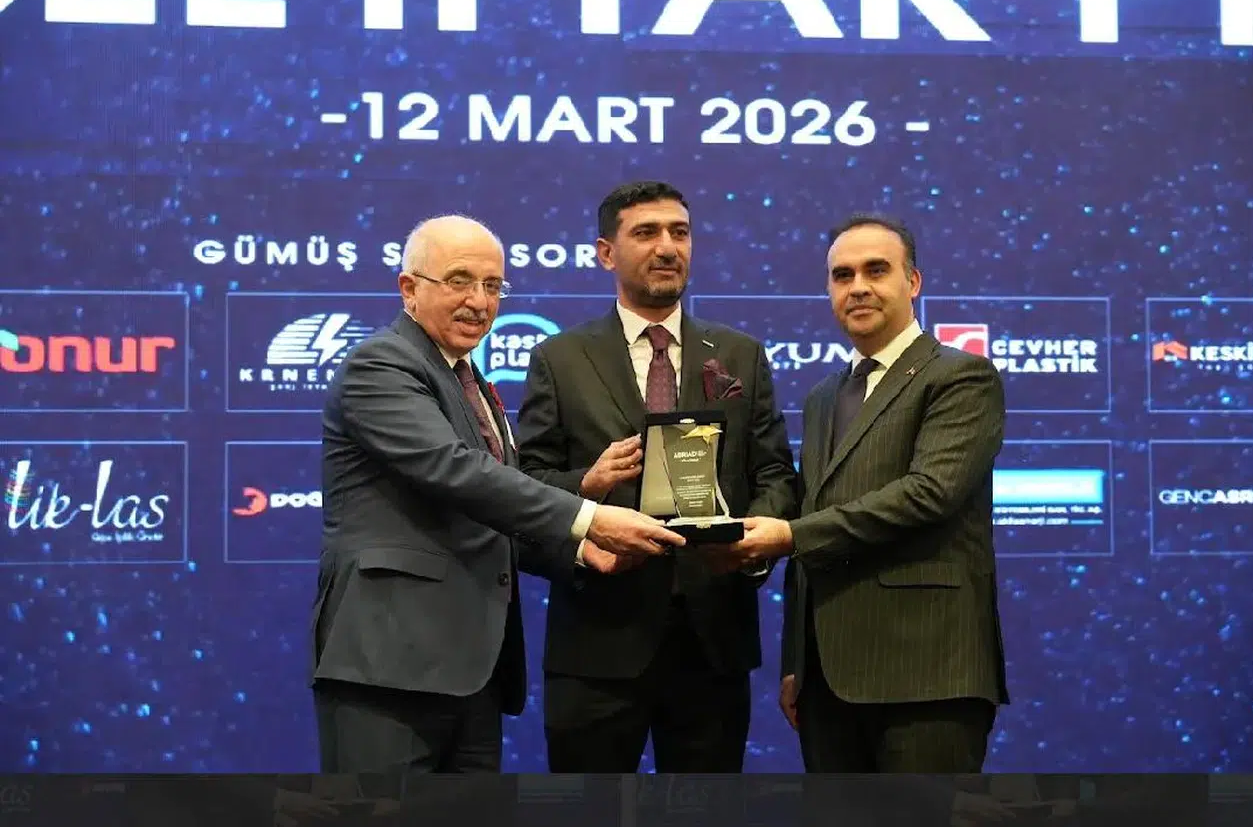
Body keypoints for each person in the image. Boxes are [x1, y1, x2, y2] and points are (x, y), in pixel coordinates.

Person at [311, 214, 685, 774]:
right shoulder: (381, 365)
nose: (479, 302)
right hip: (389, 665)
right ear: (409, 288)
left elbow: (491, 511)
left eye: (492, 286)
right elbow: (456, 472)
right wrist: (590, 518)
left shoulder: (470, 382)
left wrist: (580, 552)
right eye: (459, 281)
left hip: (472, 674)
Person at [515, 180, 798, 773]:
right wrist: (586, 486)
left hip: (713, 641)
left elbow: (774, 472)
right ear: (606, 252)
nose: (667, 247)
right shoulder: (559, 359)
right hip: (596, 643)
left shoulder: (740, 354)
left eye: (680, 233)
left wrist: (750, 547)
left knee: (706, 809)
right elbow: (525, 486)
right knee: (589, 811)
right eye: (646, 233)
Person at [717, 211, 1009, 773]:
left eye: (876, 270)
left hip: (927, 675)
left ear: (913, 282)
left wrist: (788, 535)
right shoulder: (825, 395)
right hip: (827, 681)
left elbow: (928, 494)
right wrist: (798, 661)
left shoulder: (960, 376)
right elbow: (812, 514)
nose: (858, 287)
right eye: (842, 275)